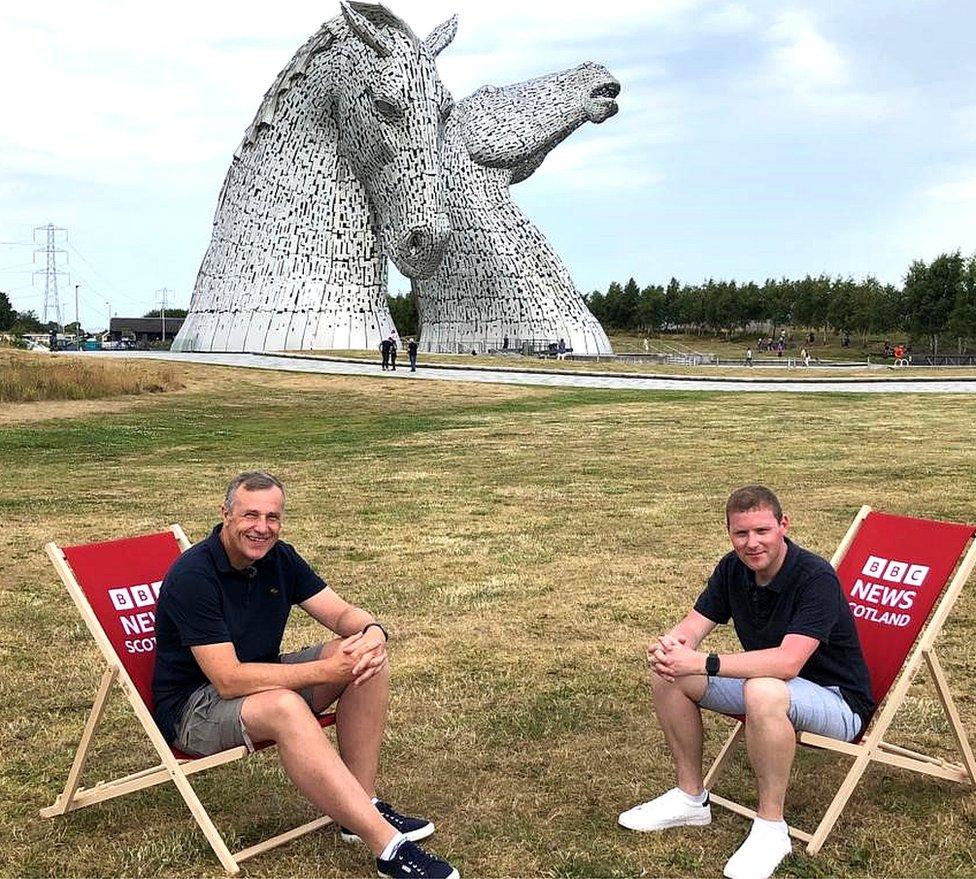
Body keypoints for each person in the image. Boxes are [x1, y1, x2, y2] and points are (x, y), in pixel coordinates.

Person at [152, 471, 458, 879]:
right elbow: (227, 679)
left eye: (273, 517)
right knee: (287, 705)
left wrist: (372, 633)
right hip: (196, 709)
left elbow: (341, 613)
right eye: (250, 515)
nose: (262, 528)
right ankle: (387, 847)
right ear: (225, 514)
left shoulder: (280, 558)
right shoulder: (194, 576)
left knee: (363, 657)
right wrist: (327, 670)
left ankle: (359, 807)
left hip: (260, 682)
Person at [618, 485, 874, 879]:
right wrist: (671, 648)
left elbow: (788, 663)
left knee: (763, 688)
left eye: (762, 531)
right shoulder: (732, 569)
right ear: (729, 534)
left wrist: (704, 662)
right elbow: (692, 628)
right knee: (671, 673)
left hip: (837, 702)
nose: (752, 543)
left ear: (783, 526)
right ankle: (690, 799)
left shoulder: (815, 577)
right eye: (741, 534)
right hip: (771, 688)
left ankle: (771, 828)